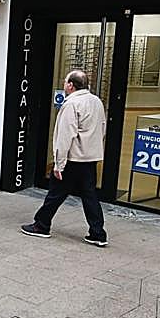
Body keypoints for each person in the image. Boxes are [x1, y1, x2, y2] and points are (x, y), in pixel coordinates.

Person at [21, 69, 108, 247]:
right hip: (90, 159)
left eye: (65, 82)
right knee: (89, 195)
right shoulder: (96, 101)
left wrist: (59, 164)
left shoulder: (71, 104)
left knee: (55, 194)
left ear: (70, 85)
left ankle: (41, 225)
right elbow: (102, 128)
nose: (64, 85)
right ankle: (98, 233)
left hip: (73, 159)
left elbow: (65, 136)